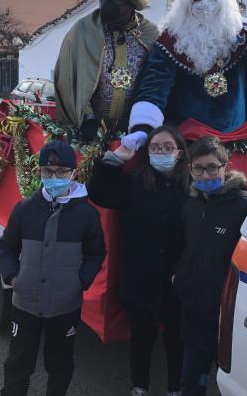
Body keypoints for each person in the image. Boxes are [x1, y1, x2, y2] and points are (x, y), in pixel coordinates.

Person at [123, 0, 247, 150]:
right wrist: (143, 127)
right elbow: (154, 87)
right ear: (185, 5)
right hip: (186, 140)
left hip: (235, 138)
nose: (205, 4)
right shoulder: (169, 41)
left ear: (224, 4)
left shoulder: (242, 35)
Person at [0, 140, 106, 396]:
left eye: (61, 172)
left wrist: (79, 282)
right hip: (25, 304)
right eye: (48, 171)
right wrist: (13, 277)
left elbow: (96, 253)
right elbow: (7, 247)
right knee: (17, 364)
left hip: (64, 307)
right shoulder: (25, 209)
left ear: (73, 173)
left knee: (60, 366)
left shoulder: (86, 215)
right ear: (40, 173)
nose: (54, 177)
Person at [88, 126, 190, 396]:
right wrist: (116, 157)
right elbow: (100, 193)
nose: (162, 152)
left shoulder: (191, 188)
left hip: (177, 282)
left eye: (168, 148)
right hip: (139, 280)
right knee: (141, 342)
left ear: (179, 153)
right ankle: (139, 386)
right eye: (156, 148)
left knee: (176, 341)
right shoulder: (134, 183)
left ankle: (175, 388)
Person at [54, 0, 176, 141]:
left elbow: (156, 83)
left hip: (133, 134)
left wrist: (140, 124)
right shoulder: (83, 31)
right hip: (87, 134)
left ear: (132, 4)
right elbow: (69, 80)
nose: (109, 5)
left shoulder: (151, 35)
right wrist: (88, 119)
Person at [174, 136, 247, 396]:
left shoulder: (243, 208)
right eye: (199, 168)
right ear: (190, 170)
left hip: (224, 319)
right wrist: (180, 279)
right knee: (191, 384)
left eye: (212, 167)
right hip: (193, 315)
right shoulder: (191, 207)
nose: (206, 174)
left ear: (225, 167)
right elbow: (184, 249)